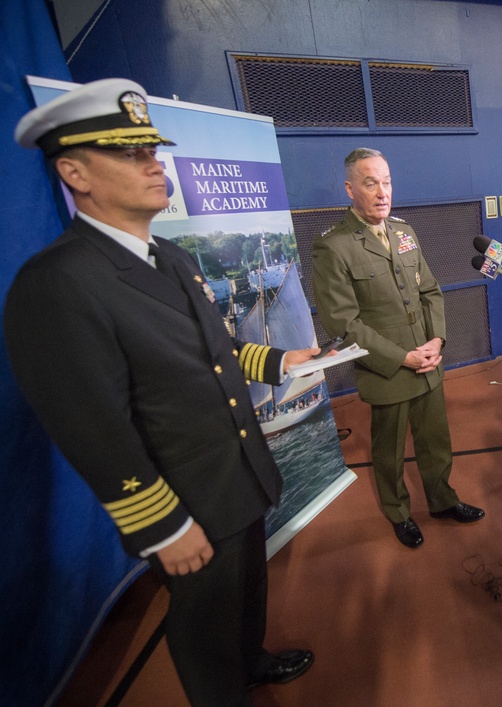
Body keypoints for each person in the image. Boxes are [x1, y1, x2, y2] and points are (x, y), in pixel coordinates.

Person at [4, 79, 315, 706]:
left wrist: (281, 358)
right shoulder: (58, 284)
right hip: (185, 498)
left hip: (238, 473)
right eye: (130, 154)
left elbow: (211, 352)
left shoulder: (168, 256)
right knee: (203, 625)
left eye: (153, 150)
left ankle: (250, 663)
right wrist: (163, 525)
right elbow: (92, 426)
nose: (155, 163)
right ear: (74, 171)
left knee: (247, 593)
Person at [311, 147, 484, 548]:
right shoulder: (334, 247)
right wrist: (402, 357)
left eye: (386, 182)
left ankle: (442, 500)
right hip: (387, 368)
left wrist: (437, 340)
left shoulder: (404, 233)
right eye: (371, 183)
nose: (382, 192)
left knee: (435, 440)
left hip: (428, 360)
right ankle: (398, 512)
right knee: (388, 452)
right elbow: (343, 322)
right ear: (350, 188)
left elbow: (431, 291)